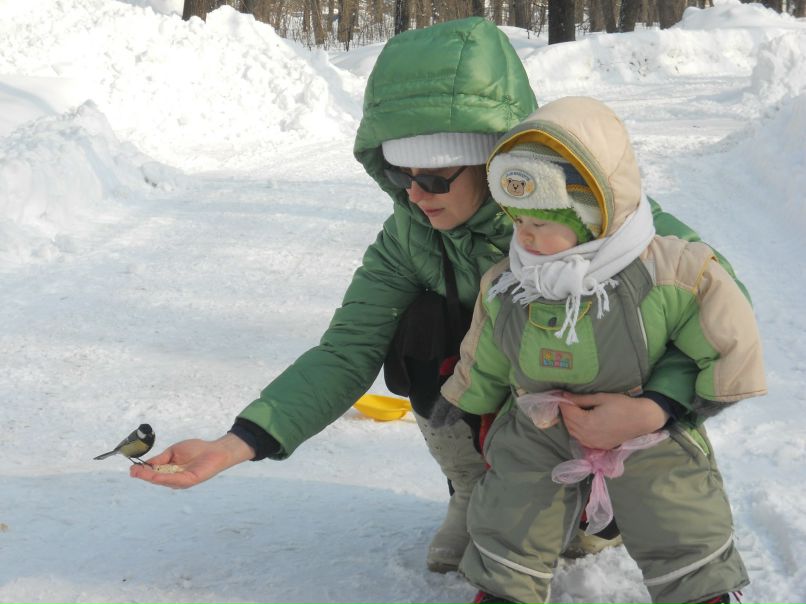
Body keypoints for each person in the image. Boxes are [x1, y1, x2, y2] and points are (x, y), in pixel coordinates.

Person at [130, 18, 746, 578]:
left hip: (614, 409)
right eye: (400, 175)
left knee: (636, 327)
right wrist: (240, 442)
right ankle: (474, 490)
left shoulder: (596, 210)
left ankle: (595, 504)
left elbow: (724, 316)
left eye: (433, 178)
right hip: (514, 408)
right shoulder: (410, 237)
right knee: (421, 330)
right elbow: (346, 351)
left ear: (494, 161)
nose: (415, 196)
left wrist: (659, 407)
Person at [440, 96, 767, 604]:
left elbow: (728, 340)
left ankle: (701, 589)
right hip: (541, 421)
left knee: (674, 501)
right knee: (513, 500)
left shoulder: (666, 271)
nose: (525, 235)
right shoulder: (508, 283)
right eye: (518, 220)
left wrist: (660, 408)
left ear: (594, 214)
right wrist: (467, 400)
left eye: (543, 222)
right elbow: (488, 349)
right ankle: (506, 587)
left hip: (638, 423)